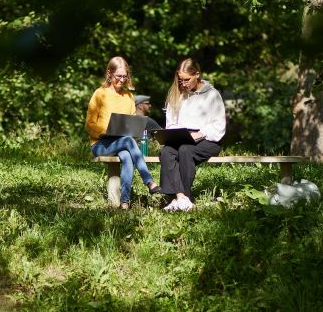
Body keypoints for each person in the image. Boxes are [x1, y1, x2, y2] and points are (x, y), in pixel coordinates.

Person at [86, 56, 161, 209]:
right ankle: (149, 181)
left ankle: (124, 202)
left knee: (127, 156)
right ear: (109, 74)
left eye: (124, 76)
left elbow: (132, 123)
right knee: (127, 141)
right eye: (118, 76)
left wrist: (134, 129)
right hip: (101, 143)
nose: (121, 79)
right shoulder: (100, 94)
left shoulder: (129, 96)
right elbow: (89, 124)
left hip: (123, 142)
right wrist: (104, 132)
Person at [158, 58, 226, 212]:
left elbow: (219, 127)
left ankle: (185, 197)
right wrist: (177, 134)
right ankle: (180, 197)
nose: (183, 84)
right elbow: (171, 123)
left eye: (187, 80)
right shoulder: (177, 94)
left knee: (186, 150)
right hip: (182, 137)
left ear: (197, 74)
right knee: (166, 151)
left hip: (208, 139)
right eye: (180, 80)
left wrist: (199, 134)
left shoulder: (212, 95)